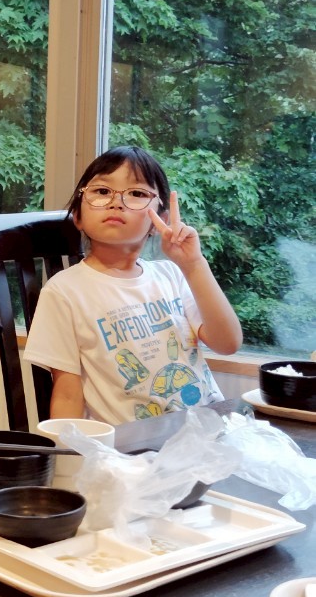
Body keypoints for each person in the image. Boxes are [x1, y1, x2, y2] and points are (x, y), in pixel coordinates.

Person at [23, 146, 242, 425]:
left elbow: (228, 342)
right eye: (102, 191)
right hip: (132, 446)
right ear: (77, 215)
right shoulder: (64, 292)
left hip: (210, 430)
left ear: (160, 220)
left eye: (137, 194)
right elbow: (67, 394)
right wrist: (66, 449)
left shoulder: (171, 276)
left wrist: (194, 264)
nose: (117, 202)